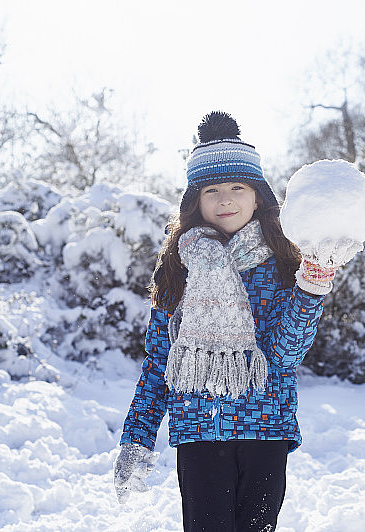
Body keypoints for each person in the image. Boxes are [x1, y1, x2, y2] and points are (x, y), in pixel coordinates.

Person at [114, 111, 342, 532]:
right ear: (195, 201)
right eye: (212, 190)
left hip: (264, 429)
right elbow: (159, 363)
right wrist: (137, 436)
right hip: (198, 432)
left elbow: (285, 355)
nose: (225, 200)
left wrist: (310, 289)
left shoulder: (282, 265)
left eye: (238, 187)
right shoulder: (178, 269)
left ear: (258, 197)